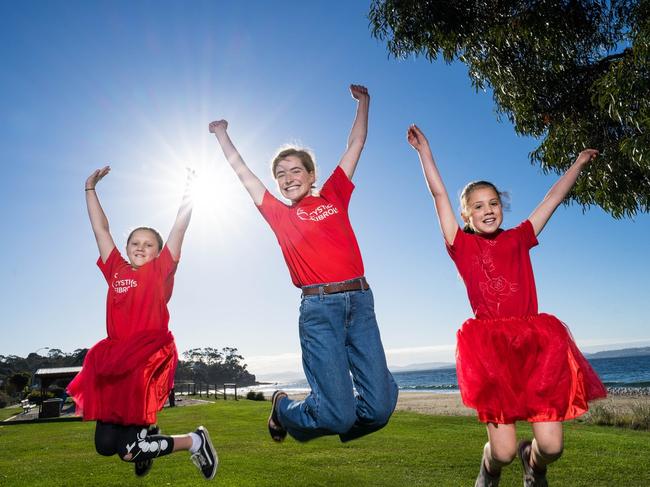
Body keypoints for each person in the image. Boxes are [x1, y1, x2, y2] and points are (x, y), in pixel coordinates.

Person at [406, 124, 606, 487]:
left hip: (536, 348)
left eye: (494, 203)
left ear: (502, 207)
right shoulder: (460, 246)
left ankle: (535, 464)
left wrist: (577, 164)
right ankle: (489, 467)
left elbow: (551, 200)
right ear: (466, 216)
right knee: (501, 451)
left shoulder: (519, 238)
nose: (488, 210)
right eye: (478, 206)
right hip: (492, 353)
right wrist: (425, 153)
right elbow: (438, 195)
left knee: (552, 446)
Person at [209, 84, 398, 443]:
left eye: (295, 170)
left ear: (312, 176)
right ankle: (284, 408)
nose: (287, 178)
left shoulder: (334, 196)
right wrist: (222, 135)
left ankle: (334, 415)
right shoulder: (279, 215)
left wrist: (365, 103)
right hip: (319, 310)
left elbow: (355, 145)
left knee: (379, 409)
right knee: (339, 415)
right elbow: (243, 174)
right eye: (280, 174)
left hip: (360, 302)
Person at [67, 166, 218, 480]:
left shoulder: (161, 271)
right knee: (106, 446)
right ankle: (148, 437)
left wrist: (190, 190)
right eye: (135, 242)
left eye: (149, 244)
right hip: (113, 362)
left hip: (144, 360)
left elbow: (179, 228)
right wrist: (89, 189)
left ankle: (194, 441)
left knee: (129, 451)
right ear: (126, 248)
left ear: (160, 253)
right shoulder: (116, 270)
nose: (141, 246)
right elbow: (101, 230)